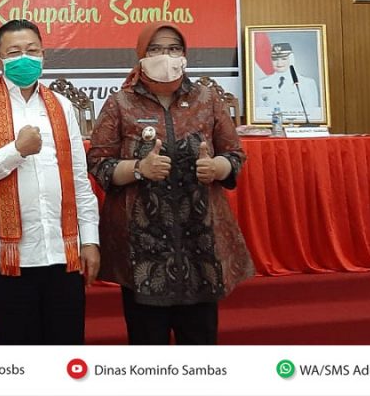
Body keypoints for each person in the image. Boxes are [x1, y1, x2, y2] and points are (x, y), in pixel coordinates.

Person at [87, 22, 254, 345]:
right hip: (143, 247)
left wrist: (216, 167)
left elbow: (234, 154)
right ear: (141, 55)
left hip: (200, 241)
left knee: (200, 342)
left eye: (174, 49)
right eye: (156, 49)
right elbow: (98, 163)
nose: (166, 56)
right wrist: (139, 168)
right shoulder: (121, 103)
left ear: (185, 55)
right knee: (148, 343)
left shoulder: (207, 98)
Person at [0, 19, 100, 345]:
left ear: (43, 55)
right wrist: (15, 151)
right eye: (14, 52)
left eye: (32, 51)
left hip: (63, 252)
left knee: (65, 347)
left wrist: (90, 240)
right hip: (10, 258)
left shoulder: (61, 105)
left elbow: (79, 179)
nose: (25, 58)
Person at [255, 42, 321, 123]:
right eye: (275, 59)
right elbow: (259, 113)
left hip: (296, 126)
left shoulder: (307, 83)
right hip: (269, 125)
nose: (279, 63)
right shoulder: (262, 83)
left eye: (284, 59)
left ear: (291, 59)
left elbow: (312, 114)